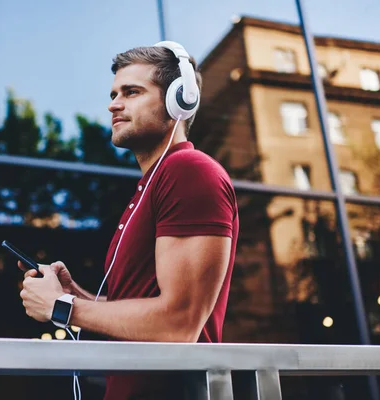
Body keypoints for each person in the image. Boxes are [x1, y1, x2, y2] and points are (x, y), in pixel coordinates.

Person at [19, 41, 239, 400]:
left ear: (179, 101)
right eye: (113, 94)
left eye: (131, 92)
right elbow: (148, 309)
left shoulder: (189, 171)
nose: (113, 104)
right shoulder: (155, 182)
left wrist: (64, 308)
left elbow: (179, 323)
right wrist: (80, 297)